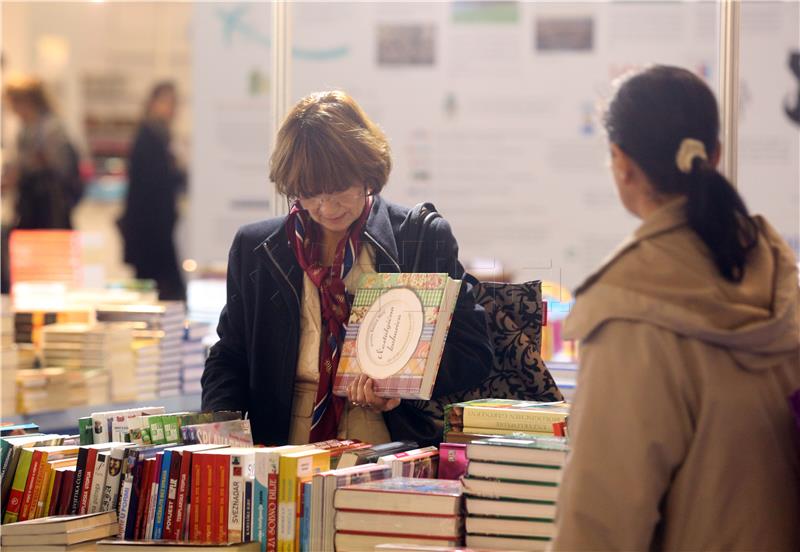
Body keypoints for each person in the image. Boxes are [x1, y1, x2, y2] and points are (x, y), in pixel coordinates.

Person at [552, 65, 800, 550]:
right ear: (717, 154)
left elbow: (602, 521)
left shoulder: (630, 307)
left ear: (621, 162)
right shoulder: (778, 275)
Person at [201, 91, 493, 447]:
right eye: (310, 194)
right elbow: (229, 357)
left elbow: (472, 350)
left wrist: (400, 384)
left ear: (366, 172)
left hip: (387, 442)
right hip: (282, 445)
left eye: (340, 190)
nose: (326, 207)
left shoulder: (418, 238)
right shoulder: (258, 250)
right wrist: (224, 437)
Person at [119, 81, 187, 301]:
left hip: (155, 229)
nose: (171, 108)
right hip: (149, 230)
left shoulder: (158, 135)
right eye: (166, 102)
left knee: (159, 290)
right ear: (152, 103)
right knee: (162, 291)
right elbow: (153, 185)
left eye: (174, 103)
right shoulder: (150, 137)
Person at [3, 76, 81, 230]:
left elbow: (60, 166)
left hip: (47, 204)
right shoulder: (26, 129)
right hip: (31, 203)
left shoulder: (50, 128)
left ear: (27, 102)